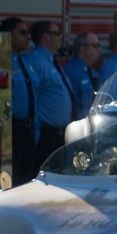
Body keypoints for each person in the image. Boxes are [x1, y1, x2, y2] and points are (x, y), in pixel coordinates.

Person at [0, 17, 40, 184]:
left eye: (28, 32)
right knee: (9, 182)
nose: (27, 37)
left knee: (26, 181)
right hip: (12, 131)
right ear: (8, 35)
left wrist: (36, 131)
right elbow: (0, 101)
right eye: (22, 33)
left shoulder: (25, 61)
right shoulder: (1, 62)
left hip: (29, 131)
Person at [29, 21, 76, 169]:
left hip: (58, 134)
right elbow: (33, 97)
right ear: (46, 37)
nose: (60, 38)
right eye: (57, 33)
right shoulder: (36, 61)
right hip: (46, 134)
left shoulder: (50, 60)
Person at [63, 33, 101, 119]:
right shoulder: (71, 72)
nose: (99, 49)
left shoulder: (92, 72)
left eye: (99, 45)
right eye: (95, 45)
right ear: (82, 48)